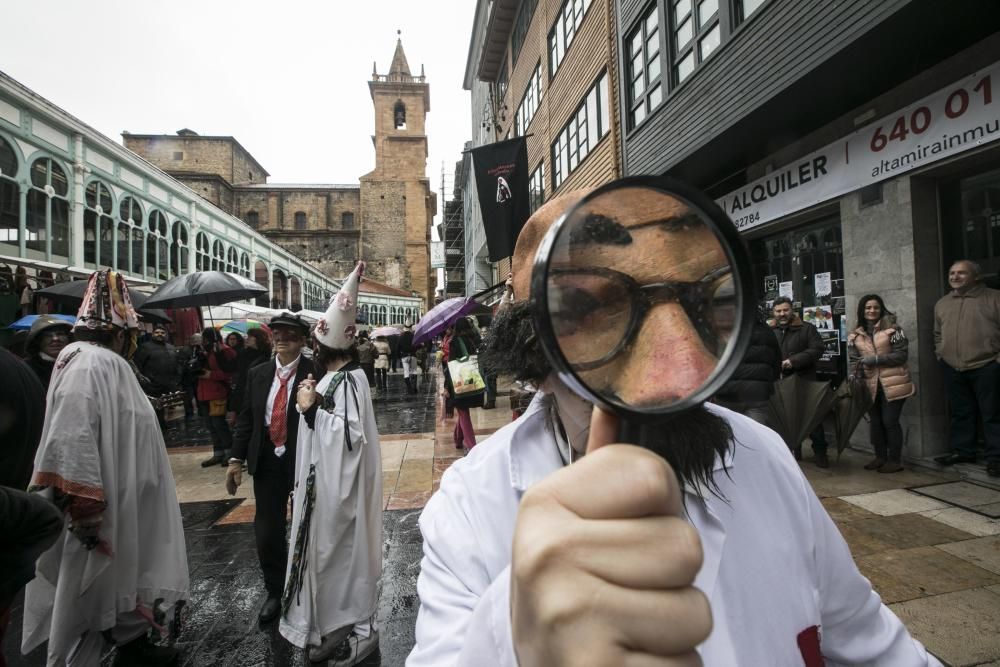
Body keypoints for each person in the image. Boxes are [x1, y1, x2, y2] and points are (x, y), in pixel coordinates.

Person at [407, 190, 941, 666]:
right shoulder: (471, 506)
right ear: (537, 362)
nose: (686, 372)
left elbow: (876, 645)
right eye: (598, 311)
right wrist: (513, 640)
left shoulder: (764, 454)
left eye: (705, 302)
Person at [21, 269, 188, 667]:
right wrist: (85, 504)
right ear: (118, 329)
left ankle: (132, 645)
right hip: (101, 503)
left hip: (127, 496)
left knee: (123, 577)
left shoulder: (106, 362)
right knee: (87, 587)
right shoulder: (86, 363)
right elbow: (72, 435)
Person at [281, 262, 382, 665]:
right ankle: (331, 624)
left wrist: (311, 409)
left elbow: (348, 439)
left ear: (324, 348)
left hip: (341, 493)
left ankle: (360, 630)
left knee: (343, 556)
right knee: (327, 557)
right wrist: (315, 398)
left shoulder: (351, 379)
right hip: (320, 489)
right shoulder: (332, 377)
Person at [226, 312, 317, 624]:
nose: (281, 339)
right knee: (268, 528)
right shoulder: (259, 373)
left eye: (289, 334)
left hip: (303, 457)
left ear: (303, 340)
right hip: (266, 458)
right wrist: (236, 459)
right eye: (277, 333)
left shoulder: (314, 372)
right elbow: (248, 418)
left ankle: (310, 585)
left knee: (309, 522)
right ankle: (275, 590)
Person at [933, 260, 1000, 478]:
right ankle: (963, 451)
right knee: (961, 412)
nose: (955, 277)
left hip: (987, 365)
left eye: (962, 273)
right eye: (952, 273)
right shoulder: (942, 303)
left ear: (975, 277)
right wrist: (940, 353)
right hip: (952, 367)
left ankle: (996, 459)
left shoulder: (994, 298)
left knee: (992, 414)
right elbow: (937, 334)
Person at [848, 295, 916, 473]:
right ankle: (880, 457)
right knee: (876, 422)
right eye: (868, 308)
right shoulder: (855, 334)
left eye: (876, 307)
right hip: (869, 384)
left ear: (881, 309)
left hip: (894, 382)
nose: (872, 311)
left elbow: (901, 355)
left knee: (890, 421)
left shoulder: (894, 330)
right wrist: (855, 373)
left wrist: (876, 359)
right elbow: (854, 359)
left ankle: (895, 460)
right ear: (862, 311)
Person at [771, 295, 830, 467]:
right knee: (782, 420)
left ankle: (820, 452)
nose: (782, 314)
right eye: (778, 311)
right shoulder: (770, 330)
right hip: (779, 383)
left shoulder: (807, 328)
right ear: (774, 312)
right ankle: (788, 454)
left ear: (792, 310)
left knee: (811, 419)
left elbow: (817, 349)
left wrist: (793, 361)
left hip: (803, 380)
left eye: (785, 310)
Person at [713, 307, 781, 425]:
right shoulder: (767, 331)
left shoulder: (721, 332)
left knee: (729, 436)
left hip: (728, 395)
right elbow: (776, 363)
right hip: (757, 396)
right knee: (755, 435)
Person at [196, 327, 237, 467]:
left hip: (218, 392)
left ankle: (229, 452)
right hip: (204, 393)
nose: (203, 341)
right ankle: (218, 453)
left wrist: (211, 375)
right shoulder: (204, 352)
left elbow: (231, 373)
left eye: (205, 338)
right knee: (211, 425)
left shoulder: (224, 351)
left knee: (219, 424)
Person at [133, 323, 182, 428]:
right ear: (152, 334)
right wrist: (146, 381)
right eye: (157, 332)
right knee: (156, 411)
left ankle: (166, 428)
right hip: (153, 386)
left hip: (170, 384)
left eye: (162, 332)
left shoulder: (171, 347)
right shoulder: (145, 347)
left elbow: (178, 363)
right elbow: (138, 366)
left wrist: (177, 378)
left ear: (166, 334)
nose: (160, 334)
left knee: (170, 407)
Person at [446, 317, 482, 450]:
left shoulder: (455, 341)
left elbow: (451, 366)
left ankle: (472, 447)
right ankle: (458, 439)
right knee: (463, 411)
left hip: (459, 381)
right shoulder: (474, 339)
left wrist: (447, 386)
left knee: (463, 412)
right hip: (473, 379)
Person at [23, 315, 73, 392]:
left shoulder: (76, 363)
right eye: (47, 336)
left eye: (60, 334)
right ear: (37, 341)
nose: (55, 339)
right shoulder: (27, 368)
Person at [230, 328, 272, 419]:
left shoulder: (268, 356)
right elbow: (240, 379)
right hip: (244, 396)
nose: (247, 338)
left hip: (259, 399)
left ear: (258, 338)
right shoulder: (243, 354)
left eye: (250, 336)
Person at [179, 333, 202, 421]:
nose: (199, 341)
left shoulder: (200, 349)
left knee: (198, 395)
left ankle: (201, 412)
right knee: (188, 396)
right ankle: (189, 414)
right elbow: (181, 364)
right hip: (187, 377)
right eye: (198, 339)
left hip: (197, 376)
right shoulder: (185, 350)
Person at [399, 321, 418, 393]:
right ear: (410, 327)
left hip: (404, 356)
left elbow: (398, 347)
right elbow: (416, 346)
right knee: (414, 371)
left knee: (406, 372)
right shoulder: (414, 336)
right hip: (413, 355)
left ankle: (409, 388)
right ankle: (414, 387)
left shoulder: (401, 336)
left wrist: (400, 355)